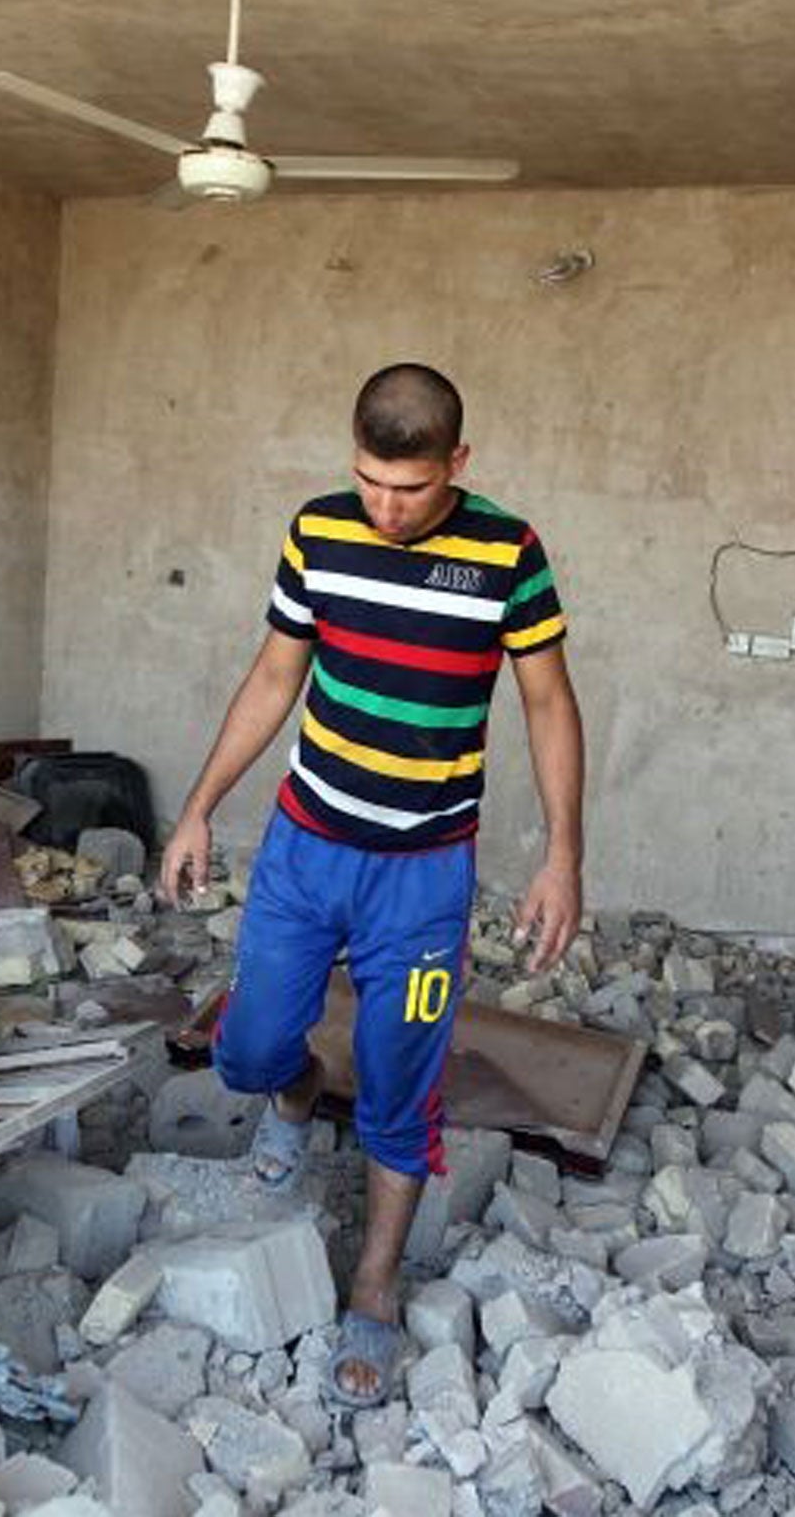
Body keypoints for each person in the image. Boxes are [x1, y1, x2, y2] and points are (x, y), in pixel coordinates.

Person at [159, 362, 585, 1407]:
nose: (387, 509)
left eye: (412, 488)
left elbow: (546, 703)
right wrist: (200, 805)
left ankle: (375, 1285)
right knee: (252, 1047)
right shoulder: (318, 532)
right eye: (370, 483)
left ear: (459, 463)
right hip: (305, 849)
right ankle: (296, 1101)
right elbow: (273, 677)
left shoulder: (506, 554)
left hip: (423, 876)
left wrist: (562, 854)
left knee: (401, 1081)